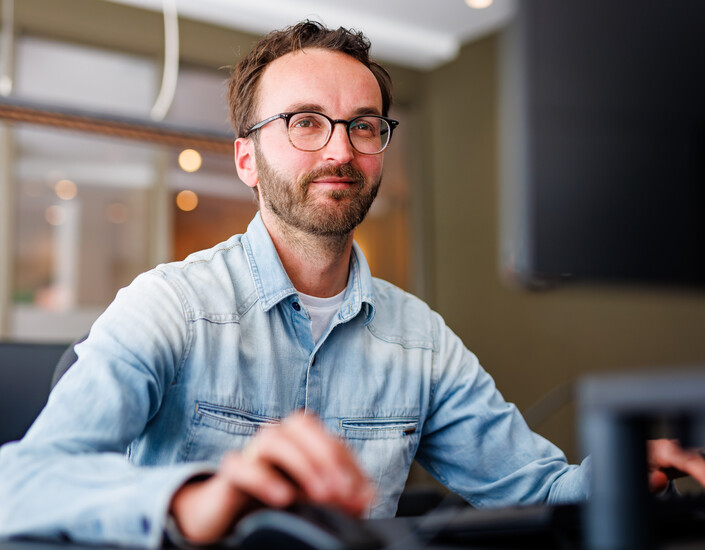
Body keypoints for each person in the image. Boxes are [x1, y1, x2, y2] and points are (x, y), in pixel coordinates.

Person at [1, 20, 705, 549]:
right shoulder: (169, 306)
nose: (340, 149)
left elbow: (539, 490)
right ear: (245, 160)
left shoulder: (421, 342)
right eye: (305, 122)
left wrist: (620, 469)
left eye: (362, 126)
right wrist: (193, 496)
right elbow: (19, 484)